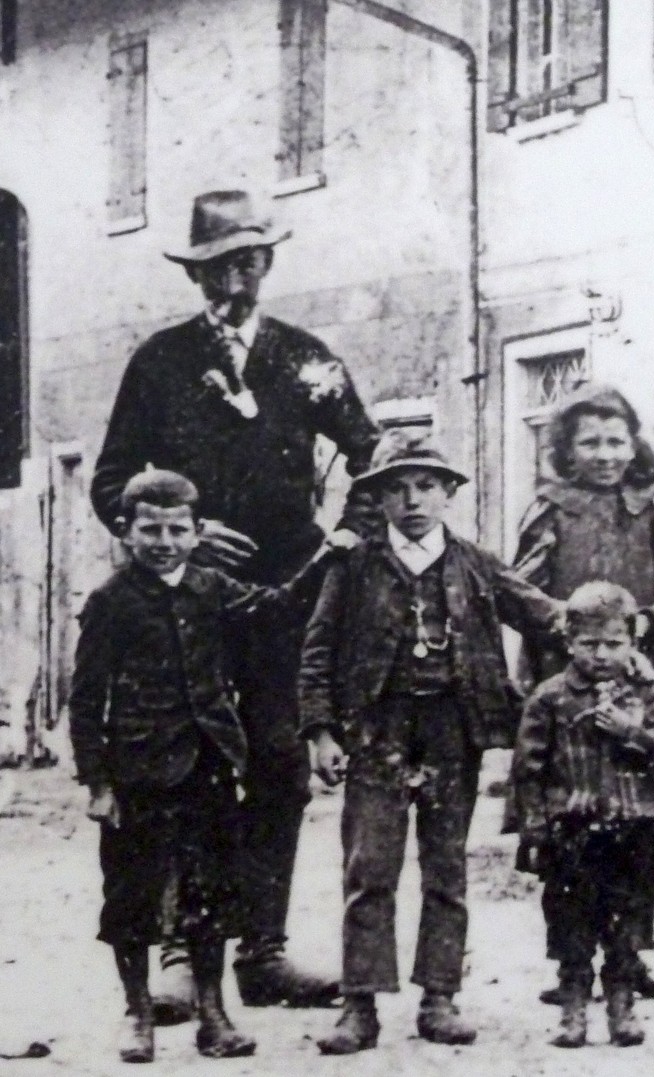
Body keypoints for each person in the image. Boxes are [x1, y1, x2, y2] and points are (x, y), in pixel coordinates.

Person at [90, 190, 380, 1015]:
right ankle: (187, 952)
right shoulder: (161, 362)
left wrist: (344, 540)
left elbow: (372, 454)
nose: (236, 278)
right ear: (197, 274)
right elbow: (113, 480)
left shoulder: (307, 360)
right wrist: (184, 530)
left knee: (281, 766)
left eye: (250, 261)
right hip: (187, 600)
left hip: (290, 595)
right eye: (219, 265)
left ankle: (265, 950)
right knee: (189, 769)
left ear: (269, 264)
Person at [297, 429, 562, 1055]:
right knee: (370, 866)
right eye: (398, 488)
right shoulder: (353, 566)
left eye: (426, 486)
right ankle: (359, 1002)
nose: (413, 499)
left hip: (453, 731)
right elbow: (317, 649)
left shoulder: (475, 563)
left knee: (446, 868)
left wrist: (608, 621)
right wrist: (320, 729)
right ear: (379, 499)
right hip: (377, 731)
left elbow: (542, 611)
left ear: (448, 494)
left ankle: (440, 997)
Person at [69, 468, 347, 1063]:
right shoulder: (110, 603)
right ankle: (138, 1012)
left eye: (177, 530)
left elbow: (278, 606)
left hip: (210, 766)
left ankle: (214, 1013)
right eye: (151, 530)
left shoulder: (213, 586)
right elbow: (87, 699)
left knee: (212, 893)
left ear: (198, 533)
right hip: (138, 770)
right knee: (132, 896)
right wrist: (97, 781)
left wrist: (328, 560)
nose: (164, 542)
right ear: (126, 532)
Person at [503, 383, 654, 1005]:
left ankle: (631, 960)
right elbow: (519, 588)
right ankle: (573, 962)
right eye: (590, 442)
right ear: (567, 450)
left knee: (641, 822)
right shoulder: (550, 507)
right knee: (572, 826)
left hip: (644, 678)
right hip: (570, 681)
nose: (605, 454)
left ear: (634, 444)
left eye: (616, 440)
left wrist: (653, 624)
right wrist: (575, 627)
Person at [514, 582, 654, 1049]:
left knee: (627, 924)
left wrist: (634, 732)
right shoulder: (549, 698)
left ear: (632, 643)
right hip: (572, 833)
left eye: (613, 643)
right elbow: (528, 769)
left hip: (632, 828)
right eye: (589, 644)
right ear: (569, 643)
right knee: (572, 923)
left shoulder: (643, 694)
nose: (602, 654)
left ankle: (623, 1008)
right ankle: (572, 1012)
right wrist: (535, 826)